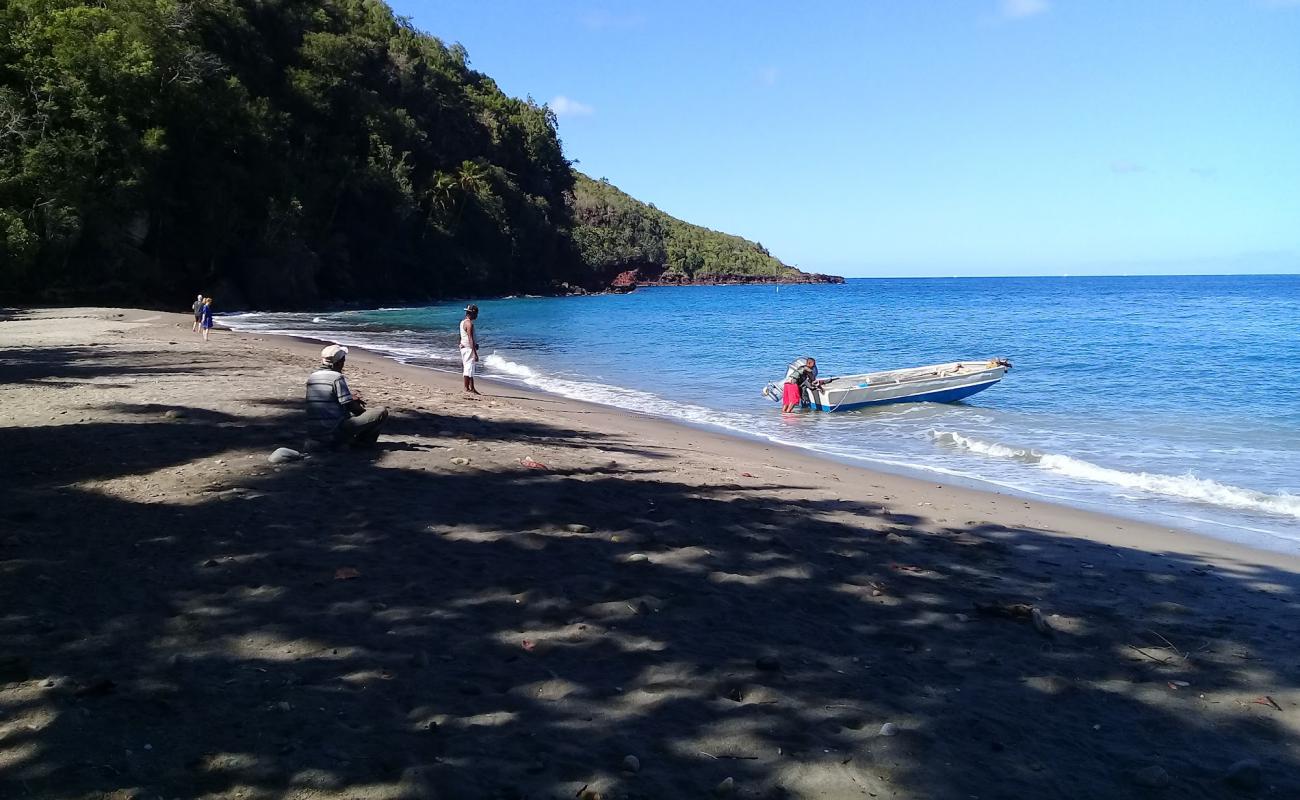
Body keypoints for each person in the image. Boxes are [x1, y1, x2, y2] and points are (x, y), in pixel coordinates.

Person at [305, 345, 389, 447]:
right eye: (343, 360)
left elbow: (327, 399)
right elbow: (351, 406)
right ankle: (363, 443)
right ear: (339, 362)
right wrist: (364, 414)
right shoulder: (337, 377)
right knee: (381, 411)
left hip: (315, 431)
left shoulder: (312, 377)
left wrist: (349, 397)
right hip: (334, 430)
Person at [459, 304, 480, 394]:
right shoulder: (469, 324)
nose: (477, 316)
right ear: (472, 314)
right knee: (469, 368)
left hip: (465, 347)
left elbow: (463, 336)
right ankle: (467, 388)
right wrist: (475, 353)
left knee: (468, 368)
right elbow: (470, 338)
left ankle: (471, 387)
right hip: (468, 348)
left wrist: (461, 343)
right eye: (476, 314)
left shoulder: (463, 322)